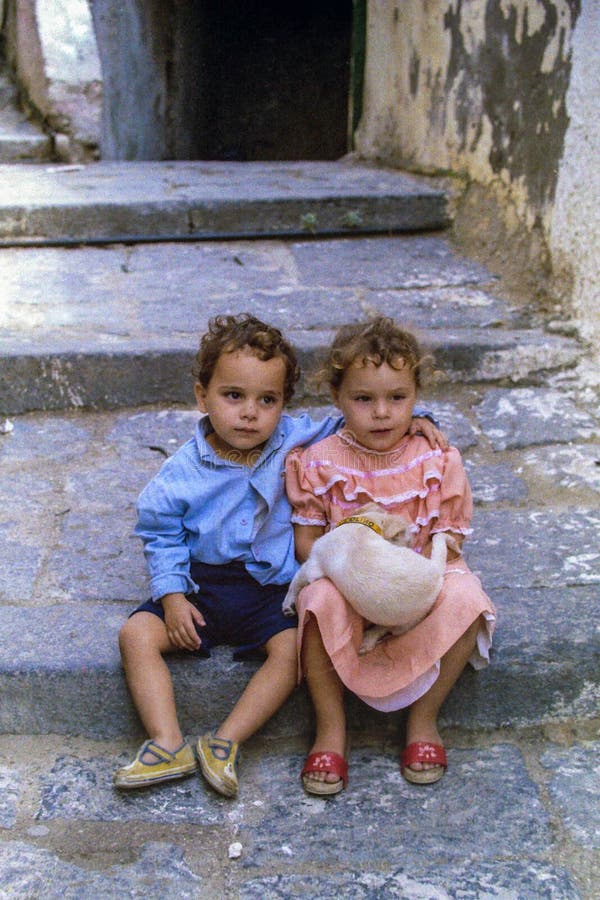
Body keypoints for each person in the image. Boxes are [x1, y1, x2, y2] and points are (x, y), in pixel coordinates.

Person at [114, 313, 444, 797]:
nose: (250, 413)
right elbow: (160, 535)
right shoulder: (178, 474)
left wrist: (416, 420)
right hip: (200, 587)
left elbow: (355, 416)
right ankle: (166, 740)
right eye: (233, 396)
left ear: (283, 405)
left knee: (292, 652)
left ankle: (225, 741)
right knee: (135, 634)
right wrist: (171, 596)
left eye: (267, 400)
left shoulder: (291, 436)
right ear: (202, 396)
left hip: (269, 590)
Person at [285, 317, 496, 796]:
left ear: (416, 395)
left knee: (466, 596)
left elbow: (450, 538)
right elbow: (308, 543)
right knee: (317, 600)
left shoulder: (436, 459)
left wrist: (407, 569)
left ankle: (422, 720)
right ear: (338, 398)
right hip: (349, 579)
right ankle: (330, 728)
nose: (381, 412)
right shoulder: (316, 461)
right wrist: (356, 561)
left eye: (397, 398)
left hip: (417, 578)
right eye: (363, 399)